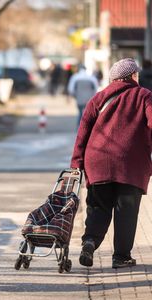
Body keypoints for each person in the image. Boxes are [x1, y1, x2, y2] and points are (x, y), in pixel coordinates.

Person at [70, 58, 152, 269]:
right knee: (126, 211)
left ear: (113, 79)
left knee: (98, 207)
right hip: (129, 165)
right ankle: (121, 257)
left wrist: (76, 163)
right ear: (133, 76)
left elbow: (83, 133)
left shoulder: (98, 98)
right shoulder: (144, 96)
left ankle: (90, 242)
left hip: (97, 162)